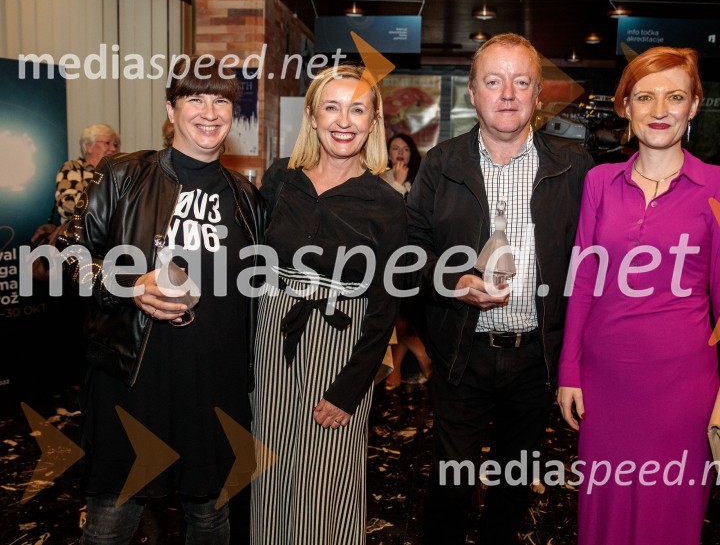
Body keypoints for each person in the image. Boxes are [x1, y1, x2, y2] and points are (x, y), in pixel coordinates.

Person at [557, 46, 720, 545]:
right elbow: (583, 281)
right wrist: (569, 369)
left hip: (681, 389)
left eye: (674, 96)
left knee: (667, 519)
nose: (659, 110)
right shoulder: (599, 181)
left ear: (694, 105)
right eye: (644, 97)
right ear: (625, 106)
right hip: (604, 385)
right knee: (602, 515)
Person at [57, 55, 267, 544]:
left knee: (211, 518)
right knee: (112, 520)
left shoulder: (246, 198)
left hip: (215, 387)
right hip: (133, 382)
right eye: (195, 97)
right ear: (171, 109)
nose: (210, 111)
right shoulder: (124, 175)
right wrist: (130, 287)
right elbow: (66, 252)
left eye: (221, 100)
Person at [407, 33, 593, 544]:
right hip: (462, 353)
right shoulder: (441, 165)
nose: (507, 93)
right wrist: (453, 280)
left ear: (538, 95)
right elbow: (409, 257)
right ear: (473, 92)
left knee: (515, 484)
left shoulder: (575, 168)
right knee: (452, 485)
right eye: (493, 81)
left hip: (537, 359)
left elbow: (596, 258)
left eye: (521, 81)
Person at [250, 63, 407, 544]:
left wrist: (351, 388)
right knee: (265, 467)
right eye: (332, 107)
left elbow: (385, 306)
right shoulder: (280, 180)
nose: (344, 120)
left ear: (373, 121)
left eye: (358, 109)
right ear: (313, 117)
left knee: (327, 476)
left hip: (340, 343)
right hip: (271, 334)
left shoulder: (387, 202)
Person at [380, 133, 432, 391]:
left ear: (412, 153)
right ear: (387, 153)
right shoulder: (380, 180)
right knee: (396, 315)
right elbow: (386, 220)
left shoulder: (423, 180)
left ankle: (401, 368)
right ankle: (417, 359)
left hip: (413, 258)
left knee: (406, 314)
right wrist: (397, 184)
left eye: (405, 149)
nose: (400, 152)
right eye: (394, 148)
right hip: (387, 258)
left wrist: (404, 185)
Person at [55, 123, 121, 222]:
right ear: (89, 146)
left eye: (116, 145)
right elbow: (67, 203)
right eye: (107, 143)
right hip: (82, 234)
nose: (113, 149)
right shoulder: (73, 168)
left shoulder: (119, 173)